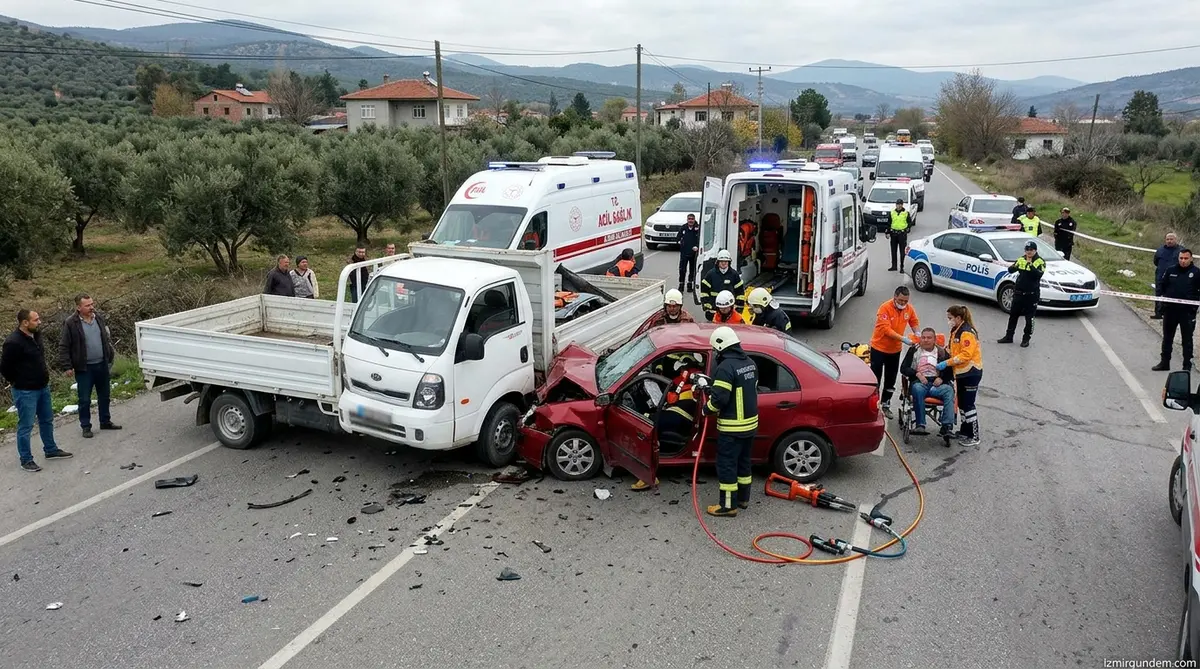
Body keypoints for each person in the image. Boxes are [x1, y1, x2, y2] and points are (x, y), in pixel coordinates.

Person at [1, 310, 72, 472]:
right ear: (24, 322)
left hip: (42, 387)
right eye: (36, 320)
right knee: (26, 425)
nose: (39, 322)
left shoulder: (36, 336)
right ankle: (26, 459)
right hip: (25, 391)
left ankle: (51, 449)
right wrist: (18, 381)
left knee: (47, 420)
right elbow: (5, 368)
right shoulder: (13, 342)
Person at [700, 326, 758, 517]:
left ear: (721, 345)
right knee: (743, 463)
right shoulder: (749, 363)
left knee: (727, 466)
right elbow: (738, 390)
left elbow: (720, 400)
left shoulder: (725, 367)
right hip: (750, 426)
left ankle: (727, 506)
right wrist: (712, 388)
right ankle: (743, 499)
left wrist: (705, 409)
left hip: (732, 428)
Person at [632, 353, 703, 491]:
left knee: (646, 424)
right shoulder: (691, 372)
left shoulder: (689, 377)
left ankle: (648, 476)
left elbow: (673, 397)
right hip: (680, 409)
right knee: (649, 420)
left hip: (682, 413)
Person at [58, 293, 120, 439]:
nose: (92, 307)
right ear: (78, 307)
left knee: (104, 395)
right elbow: (64, 345)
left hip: (102, 364)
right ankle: (86, 426)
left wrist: (109, 355)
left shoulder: (98, 317)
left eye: (92, 304)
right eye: (87, 305)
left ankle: (105, 421)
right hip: (84, 368)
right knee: (84, 399)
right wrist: (67, 366)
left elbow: (105, 337)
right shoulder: (71, 323)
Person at [869, 286, 920, 418]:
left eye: (905, 301)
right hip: (879, 348)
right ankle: (873, 405)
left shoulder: (908, 309)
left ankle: (886, 404)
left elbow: (913, 321)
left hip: (894, 351)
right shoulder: (884, 308)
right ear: (895, 297)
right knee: (875, 378)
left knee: (891, 379)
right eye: (901, 300)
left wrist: (917, 333)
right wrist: (903, 338)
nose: (903, 303)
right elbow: (886, 330)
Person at [939, 305, 983, 447]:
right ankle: (965, 431)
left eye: (950, 318)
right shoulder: (956, 330)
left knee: (969, 405)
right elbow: (952, 349)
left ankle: (974, 435)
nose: (949, 321)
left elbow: (966, 354)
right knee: (963, 404)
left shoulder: (967, 332)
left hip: (971, 372)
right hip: (961, 373)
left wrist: (947, 362)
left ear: (958, 318)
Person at [900, 327, 955, 437]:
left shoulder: (942, 353)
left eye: (929, 338)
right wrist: (916, 373)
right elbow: (903, 368)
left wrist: (942, 379)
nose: (926, 340)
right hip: (920, 382)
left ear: (935, 340)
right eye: (923, 338)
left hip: (937, 384)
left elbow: (951, 372)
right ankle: (920, 425)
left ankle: (946, 426)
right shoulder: (914, 350)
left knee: (949, 390)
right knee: (917, 389)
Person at [1153, 248, 1200, 371]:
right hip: (1170, 310)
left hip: (1187, 312)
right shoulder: (1170, 270)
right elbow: (1162, 286)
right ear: (1178, 258)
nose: (1183, 261)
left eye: (1186, 258)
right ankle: (1164, 362)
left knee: (1187, 340)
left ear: (1191, 259)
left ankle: (1186, 366)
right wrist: (1161, 304)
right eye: (1181, 258)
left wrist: (1194, 306)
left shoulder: (1197, 273)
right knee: (1167, 338)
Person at [998, 240, 1046, 348]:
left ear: (1035, 250)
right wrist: (1016, 266)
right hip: (1019, 293)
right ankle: (1009, 336)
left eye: (1031, 250)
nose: (1028, 252)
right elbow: (1010, 270)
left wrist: (1030, 265)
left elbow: (1038, 275)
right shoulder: (1021, 259)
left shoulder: (1040, 261)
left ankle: (1026, 339)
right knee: (1013, 316)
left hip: (1032, 294)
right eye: (1027, 250)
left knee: (1030, 319)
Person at [700, 250, 745, 321]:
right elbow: (704, 292)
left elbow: (740, 292)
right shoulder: (711, 274)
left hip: (729, 309)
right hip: (714, 309)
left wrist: (739, 306)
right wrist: (707, 305)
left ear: (729, 262)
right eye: (721, 261)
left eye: (726, 261)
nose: (723, 263)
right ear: (718, 262)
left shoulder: (734, 274)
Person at [1154, 233, 1182, 320]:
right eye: (1168, 239)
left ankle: (1170, 314)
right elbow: (1155, 261)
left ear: (1176, 240)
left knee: (1172, 295)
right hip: (1160, 275)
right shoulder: (1160, 250)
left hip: (1175, 277)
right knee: (1159, 293)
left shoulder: (1181, 250)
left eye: (1171, 239)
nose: (1169, 241)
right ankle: (1158, 313)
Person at [887, 199, 912, 273]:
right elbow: (889, 223)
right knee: (893, 251)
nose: (899, 205)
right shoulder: (892, 213)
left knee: (902, 251)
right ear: (896, 205)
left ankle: (902, 267)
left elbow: (909, 222)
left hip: (902, 234)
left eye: (900, 204)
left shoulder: (906, 213)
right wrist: (887, 232)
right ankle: (894, 266)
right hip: (893, 234)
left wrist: (907, 229)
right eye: (898, 204)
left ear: (902, 205)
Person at [677, 214, 700, 292]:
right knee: (682, 269)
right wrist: (679, 242)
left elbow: (701, 239)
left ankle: (690, 284)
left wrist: (697, 246)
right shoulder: (683, 227)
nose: (690, 220)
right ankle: (681, 284)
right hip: (684, 252)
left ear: (694, 219)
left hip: (694, 253)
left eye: (692, 219)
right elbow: (678, 237)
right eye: (689, 219)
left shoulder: (698, 228)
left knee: (692, 270)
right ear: (687, 220)